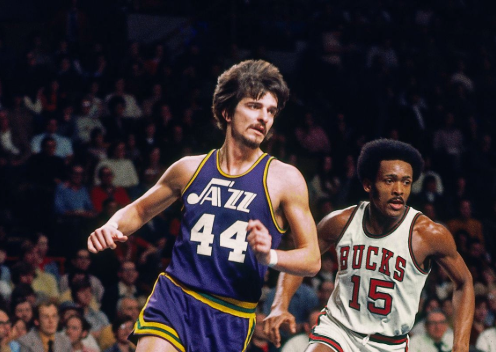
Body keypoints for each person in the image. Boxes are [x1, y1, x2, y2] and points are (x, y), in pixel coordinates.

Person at [87, 59, 320, 351]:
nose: (264, 118)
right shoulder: (189, 168)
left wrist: (269, 256)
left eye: (271, 111)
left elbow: (312, 259)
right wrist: (111, 226)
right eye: (254, 106)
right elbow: (139, 210)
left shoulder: (285, 179)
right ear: (226, 111)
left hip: (231, 315)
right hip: (176, 297)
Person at [264, 139, 474, 352]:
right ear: (368, 184)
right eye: (389, 180)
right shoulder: (339, 222)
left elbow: (464, 282)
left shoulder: (428, 234)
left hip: (390, 343)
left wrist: (461, 345)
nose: (398, 190)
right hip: (339, 331)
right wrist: (280, 305)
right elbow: (301, 256)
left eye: (406, 182)